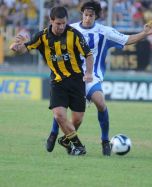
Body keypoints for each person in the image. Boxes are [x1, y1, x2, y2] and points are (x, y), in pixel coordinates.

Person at [46, 0, 152, 156]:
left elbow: (126, 40)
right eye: (86, 15)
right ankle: (53, 133)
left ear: (96, 16)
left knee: (100, 102)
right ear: (82, 14)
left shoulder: (105, 32)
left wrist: (144, 33)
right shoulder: (70, 29)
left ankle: (105, 141)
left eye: (91, 15)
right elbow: (51, 35)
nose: (88, 18)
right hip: (71, 76)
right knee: (64, 109)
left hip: (92, 77)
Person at [10, 6, 94, 156]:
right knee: (59, 115)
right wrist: (17, 48)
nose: (61, 27)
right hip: (58, 81)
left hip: (76, 80)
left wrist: (88, 72)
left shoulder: (74, 35)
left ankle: (66, 140)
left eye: (64, 23)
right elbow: (26, 48)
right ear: (51, 21)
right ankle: (79, 147)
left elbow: (88, 55)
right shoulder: (41, 36)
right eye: (58, 24)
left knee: (77, 119)